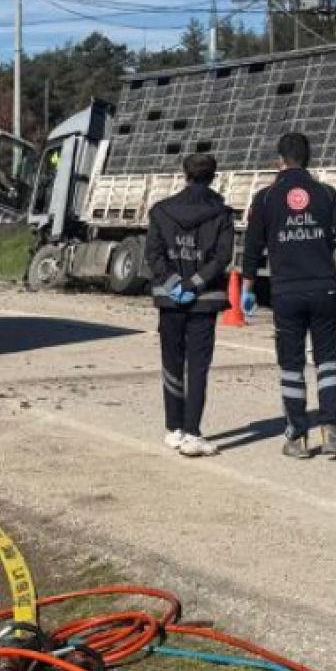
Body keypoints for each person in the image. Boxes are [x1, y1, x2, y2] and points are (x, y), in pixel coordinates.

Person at [241, 133, 336, 459]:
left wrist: (247, 290)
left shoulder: (265, 198)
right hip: (324, 289)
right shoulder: (326, 193)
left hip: (286, 292)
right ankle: (333, 431)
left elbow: (252, 247)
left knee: (292, 366)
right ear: (309, 159)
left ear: (280, 160)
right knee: (327, 363)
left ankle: (297, 438)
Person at [144, 152, 235, 458]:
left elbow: (153, 255)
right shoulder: (221, 214)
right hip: (204, 300)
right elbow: (222, 257)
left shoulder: (161, 211)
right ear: (213, 177)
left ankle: (173, 429)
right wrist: (195, 283)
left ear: (184, 175)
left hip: (170, 300)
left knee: (171, 361)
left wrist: (173, 284)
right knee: (197, 367)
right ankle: (193, 433)